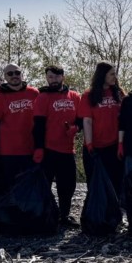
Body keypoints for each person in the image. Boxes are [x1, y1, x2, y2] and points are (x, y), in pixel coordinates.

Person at [33, 65, 81, 227]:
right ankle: (46, 214)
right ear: (46, 78)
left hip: (68, 149)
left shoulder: (74, 96)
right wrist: (39, 148)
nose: (53, 80)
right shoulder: (43, 98)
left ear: (63, 77)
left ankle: (65, 215)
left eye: (56, 77)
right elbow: (38, 125)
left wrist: (76, 128)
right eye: (50, 77)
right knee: (45, 184)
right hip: (48, 149)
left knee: (67, 185)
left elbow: (81, 119)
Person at [0, 64, 39, 191]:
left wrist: (40, 146)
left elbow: (41, 121)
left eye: (17, 72)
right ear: (5, 77)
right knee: (8, 187)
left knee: (28, 188)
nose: (14, 76)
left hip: (30, 149)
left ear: (22, 74)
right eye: (10, 74)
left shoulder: (34, 93)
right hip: (7, 151)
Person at [80, 61, 125, 196]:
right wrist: (89, 145)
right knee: (94, 183)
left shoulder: (119, 93)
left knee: (115, 182)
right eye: (112, 74)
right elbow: (87, 121)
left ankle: (113, 214)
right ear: (102, 75)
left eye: (115, 73)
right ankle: (96, 215)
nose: (115, 76)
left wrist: (122, 144)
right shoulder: (88, 95)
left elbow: (124, 120)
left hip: (114, 146)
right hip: (94, 147)